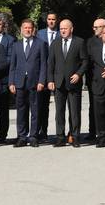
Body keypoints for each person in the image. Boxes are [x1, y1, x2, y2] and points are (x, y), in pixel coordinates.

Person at [47, 19, 88, 147]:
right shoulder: (55, 43)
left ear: (71, 29)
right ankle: (60, 137)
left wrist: (78, 74)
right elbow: (51, 64)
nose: (63, 31)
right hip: (58, 83)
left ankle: (75, 136)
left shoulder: (79, 42)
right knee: (59, 111)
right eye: (61, 28)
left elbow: (85, 61)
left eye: (65, 28)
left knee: (75, 111)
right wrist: (50, 80)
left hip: (73, 82)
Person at [9, 19, 47, 147]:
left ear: (33, 29)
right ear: (21, 29)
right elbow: (12, 66)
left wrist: (42, 81)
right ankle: (22, 136)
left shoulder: (40, 44)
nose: (27, 30)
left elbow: (43, 64)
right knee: (21, 110)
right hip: (19, 82)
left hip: (35, 82)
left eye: (30, 28)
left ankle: (33, 136)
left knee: (35, 110)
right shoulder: (16, 45)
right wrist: (11, 82)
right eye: (25, 28)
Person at [0, 13, 15, 143]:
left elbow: (10, 58)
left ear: (3, 25)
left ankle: (2, 134)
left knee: (3, 109)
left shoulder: (10, 40)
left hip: (4, 79)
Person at [36, 11, 59, 141]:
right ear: (46, 21)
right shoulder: (39, 34)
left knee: (60, 105)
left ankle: (60, 132)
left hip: (57, 73)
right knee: (42, 105)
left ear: (57, 21)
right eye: (49, 19)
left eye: (53, 19)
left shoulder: (61, 34)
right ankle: (42, 131)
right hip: (43, 74)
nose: (51, 21)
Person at [85, 18, 105, 142]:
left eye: (96, 27)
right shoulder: (90, 42)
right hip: (93, 79)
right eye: (94, 27)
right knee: (93, 106)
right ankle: (92, 131)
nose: (94, 29)